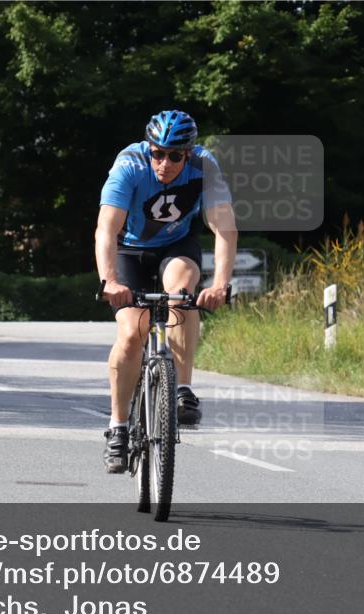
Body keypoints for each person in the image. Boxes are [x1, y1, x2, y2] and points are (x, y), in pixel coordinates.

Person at [96, 109, 237, 473]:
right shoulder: (129, 164)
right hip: (129, 251)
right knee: (131, 334)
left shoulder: (205, 165)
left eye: (175, 156)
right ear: (150, 149)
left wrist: (220, 284)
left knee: (183, 293)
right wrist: (109, 281)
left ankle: (182, 390)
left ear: (188, 153)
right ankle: (118, 427)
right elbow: (106, 230)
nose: (165, 162)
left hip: (176, 246)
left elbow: (224, 228)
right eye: (158, 153)